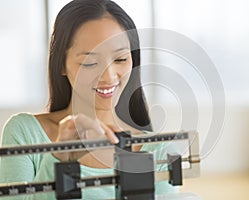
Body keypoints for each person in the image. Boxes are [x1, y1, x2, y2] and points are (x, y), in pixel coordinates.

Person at [0, 0, 177, 199]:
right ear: (61, 65)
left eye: (120, 59)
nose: (109, 77)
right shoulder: (24, 133)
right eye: (90, 62)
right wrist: (59, 160)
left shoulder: (158, 149)